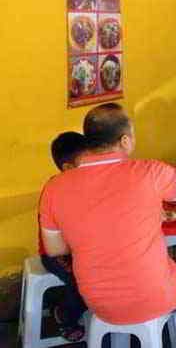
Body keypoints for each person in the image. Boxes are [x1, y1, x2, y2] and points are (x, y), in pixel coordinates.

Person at [39, 103, 176, 348]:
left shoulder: (54, 187)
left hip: (97, 300)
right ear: (125, 140)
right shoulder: (148, 172)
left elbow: (55, 249)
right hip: (151, 293)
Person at [39, 132, 89, 341]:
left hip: (83, 249)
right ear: (68, 168)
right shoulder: (55, 190)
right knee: (82, 279)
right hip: (57, 252)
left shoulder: (88, 183)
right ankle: (65, 316)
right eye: (86, 161)